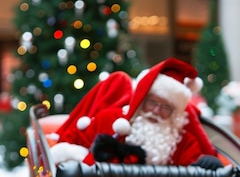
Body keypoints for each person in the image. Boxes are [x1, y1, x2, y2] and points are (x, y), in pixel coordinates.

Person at [50, 58, 222, 169]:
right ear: (141, 100)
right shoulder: (108, 121)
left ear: (174, 113)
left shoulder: (183, 142)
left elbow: (194, 173)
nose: (156, 111)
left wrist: (204, 166)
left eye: (165, 107)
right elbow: (75, 150)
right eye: (152, 102)